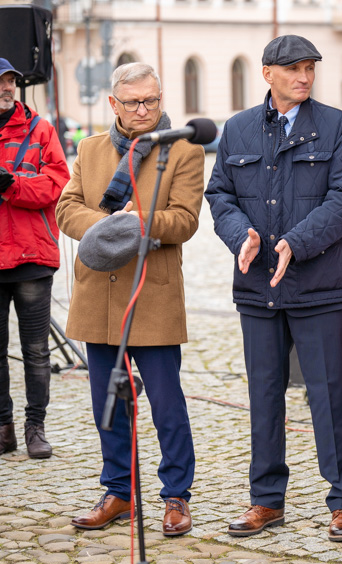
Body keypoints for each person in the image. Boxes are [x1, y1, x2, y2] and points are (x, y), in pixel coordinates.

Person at [205, 35, 342, 542]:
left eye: (311, 68)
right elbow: (220, 194)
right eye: (294, 68)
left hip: (317, 286)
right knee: (264, 396)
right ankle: (265, 500)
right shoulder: (237, 129)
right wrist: (241, 235)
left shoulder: (337, 126)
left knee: (329, 396)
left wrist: (296, 241)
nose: (305, 76)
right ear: (267, 73)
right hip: (257, 289)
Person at [56, 62, 202, 537]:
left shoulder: (182, 148)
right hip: (99, 293)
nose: (145, 110)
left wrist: (133, 223)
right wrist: (104, 230)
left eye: (152, 101)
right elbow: (66, 207)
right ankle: (118, 492)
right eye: (134, 102)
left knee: (166, 403)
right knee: (108, 402)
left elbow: (183, 220)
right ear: (114, 104)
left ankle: (176, 495)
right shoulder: (90, 147)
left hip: (152, 292)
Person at [0, 57, 70, 459]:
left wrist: (11, 186)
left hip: (31, 255)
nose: (7, 87)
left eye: (10, 81)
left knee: (35, 350)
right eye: (1, 82)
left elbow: (57, 184)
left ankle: (34, 428)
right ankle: (4, 428)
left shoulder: (39, 129)